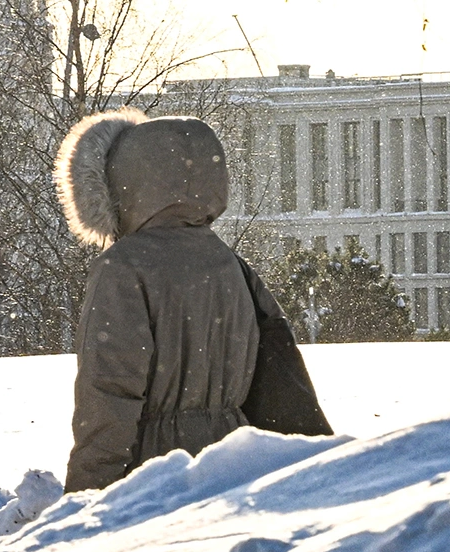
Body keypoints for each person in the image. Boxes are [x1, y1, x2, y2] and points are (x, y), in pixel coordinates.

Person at [53, 109, 332, 493]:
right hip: (234, 469)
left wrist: (84, 495)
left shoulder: (123, 267)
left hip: (157, 475)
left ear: (115, 187)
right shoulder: (229, 262)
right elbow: (280, 375)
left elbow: (109, 395)